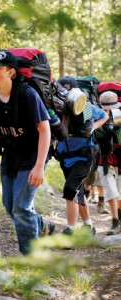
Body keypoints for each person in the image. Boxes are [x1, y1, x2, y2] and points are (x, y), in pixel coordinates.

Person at [0, 49, 55, 255]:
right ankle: (41, 225)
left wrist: (39, 166)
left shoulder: (27, 95)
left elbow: (44, 130)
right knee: (9, 205)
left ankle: (30, 257)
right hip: (10, 157)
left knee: (21, 207)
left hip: (33, 156)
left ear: (10, 72)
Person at [55, 76, 108, 235]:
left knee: (70, 189)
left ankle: (70, 230)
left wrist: (92, 128)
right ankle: (88, 226)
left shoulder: (86, 106)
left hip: (84, 155)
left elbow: (104, 116)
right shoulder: (58, 106)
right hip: (66, 155)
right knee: (78, 192)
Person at [94, 91, 121, 235]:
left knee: (119, 191)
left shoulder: (119, 116)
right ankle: (114, 221)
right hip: (104, 159)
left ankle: (119, 220)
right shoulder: (96, 115)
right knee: (111, 190)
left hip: (119, 158)